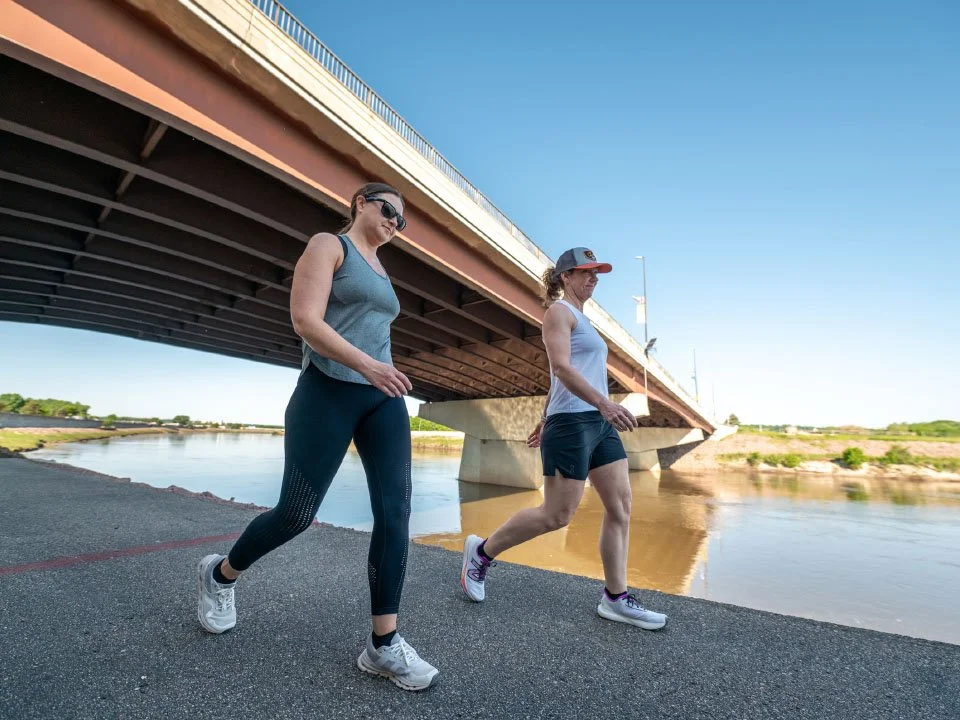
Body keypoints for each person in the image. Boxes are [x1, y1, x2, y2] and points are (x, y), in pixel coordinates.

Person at [196, 182, 439, 691]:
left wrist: (382, 374)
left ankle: (383, 645)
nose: (396, 222)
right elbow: (304, 319)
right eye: (389, 210)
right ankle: (220, 576)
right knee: (296, 514)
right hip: (327, 391)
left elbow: (373, 330)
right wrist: (369, 365)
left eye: (403, 220)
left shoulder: (382, 269)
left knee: (396, 512)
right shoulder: (331, 244)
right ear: (360, 202)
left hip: (382, 399)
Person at [459, 247, 668, 630]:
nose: (594, 279)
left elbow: (564, 377)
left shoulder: (586, 321)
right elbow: (561, 367)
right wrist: (602, 405)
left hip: (595, 422)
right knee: (557, 515)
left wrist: (547, 414)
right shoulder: (558, 312)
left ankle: (616, 598)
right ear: (565, 277)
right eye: (586, 272)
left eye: (597, 273)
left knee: (621, 506)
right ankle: (482, 553)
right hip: (574, 423)